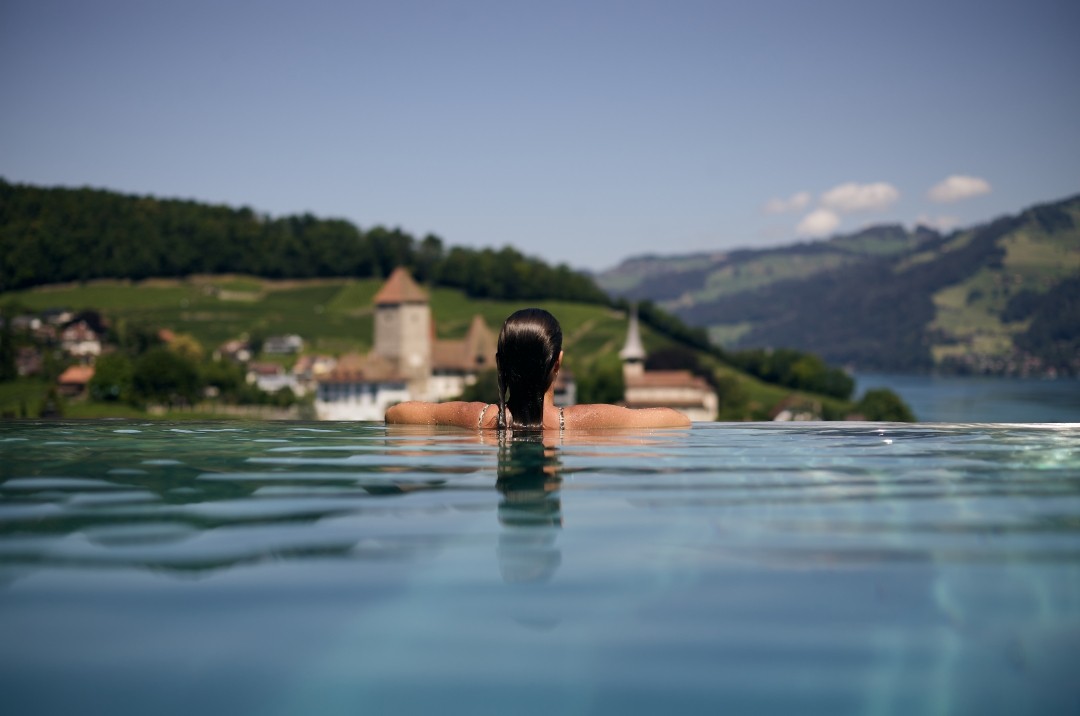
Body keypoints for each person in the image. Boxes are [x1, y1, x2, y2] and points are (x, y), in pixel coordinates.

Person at [384, 308, 691, 430]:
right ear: (558, 362)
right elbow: (679, 421)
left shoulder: (478, 418)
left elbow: (396, 413)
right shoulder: (582, 421)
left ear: (499, 362)